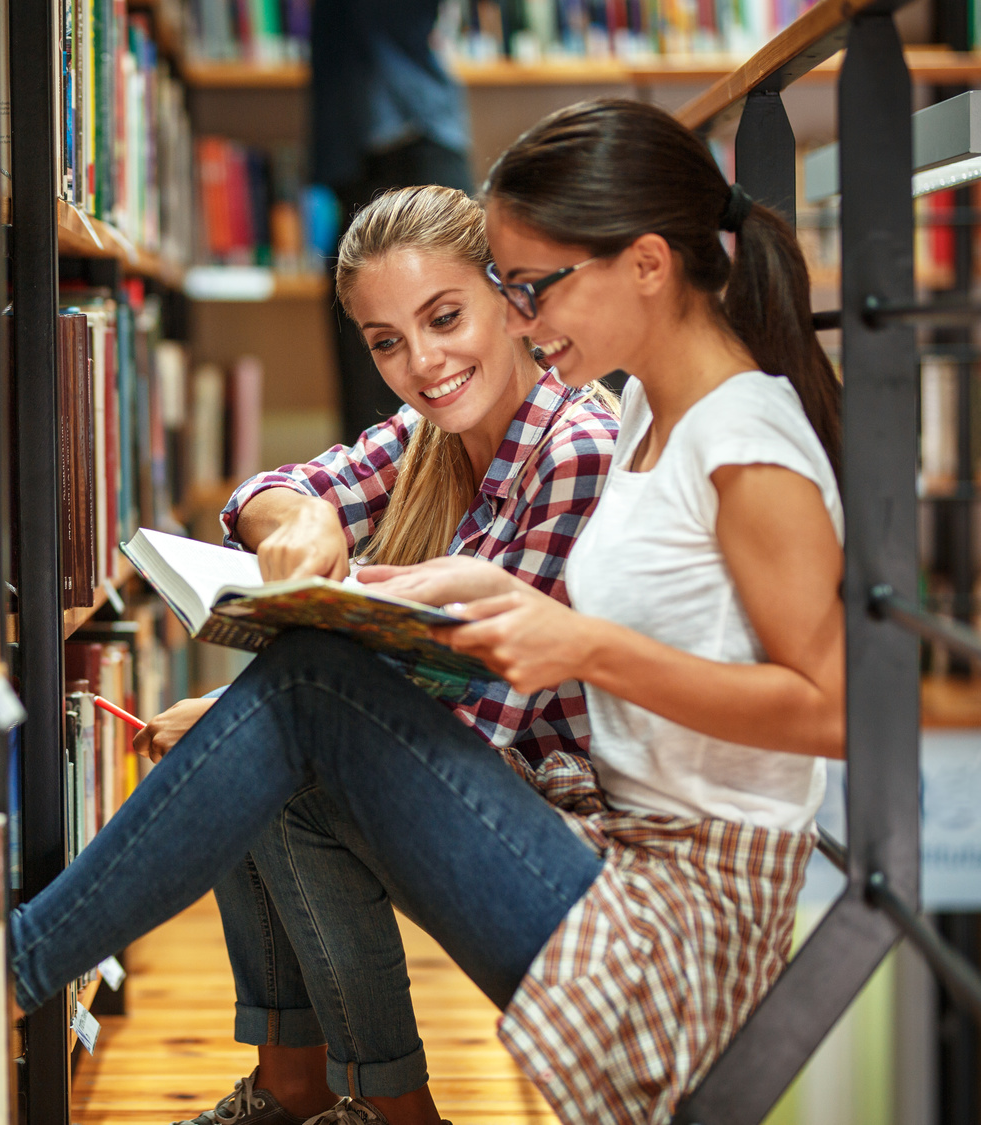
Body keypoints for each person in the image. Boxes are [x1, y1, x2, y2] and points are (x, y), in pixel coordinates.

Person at [12, 98, 844, 1125]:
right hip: (607, 838)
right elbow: (297, 501)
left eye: (530, 291)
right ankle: (352, 1102)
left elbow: (834, 711)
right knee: (285, 721)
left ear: (644, 263)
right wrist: (451, 584)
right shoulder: (647, 412)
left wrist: (576, 642)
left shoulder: (734, 441)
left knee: (300, 696)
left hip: (672, 923)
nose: (529, 323)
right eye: (516, 290)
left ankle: (12, 975)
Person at [140, 184, 617, 1125]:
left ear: (512, 300)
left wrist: (246, 726)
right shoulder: (430, 436)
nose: (423, 364)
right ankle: (292, 1085)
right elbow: (259, 494)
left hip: (575, 830)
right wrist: (308, 515)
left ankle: (390, 1107)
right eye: (387, 341)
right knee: (249, 745)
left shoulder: (578, 447)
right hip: (486, 781)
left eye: (444, 318)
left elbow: (473, 711)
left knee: (266, 755)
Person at [310, 0, 475, 444]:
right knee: (365, 330)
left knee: (459, 310)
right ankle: (382, 490)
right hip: (351, 149)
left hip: (422, 129)